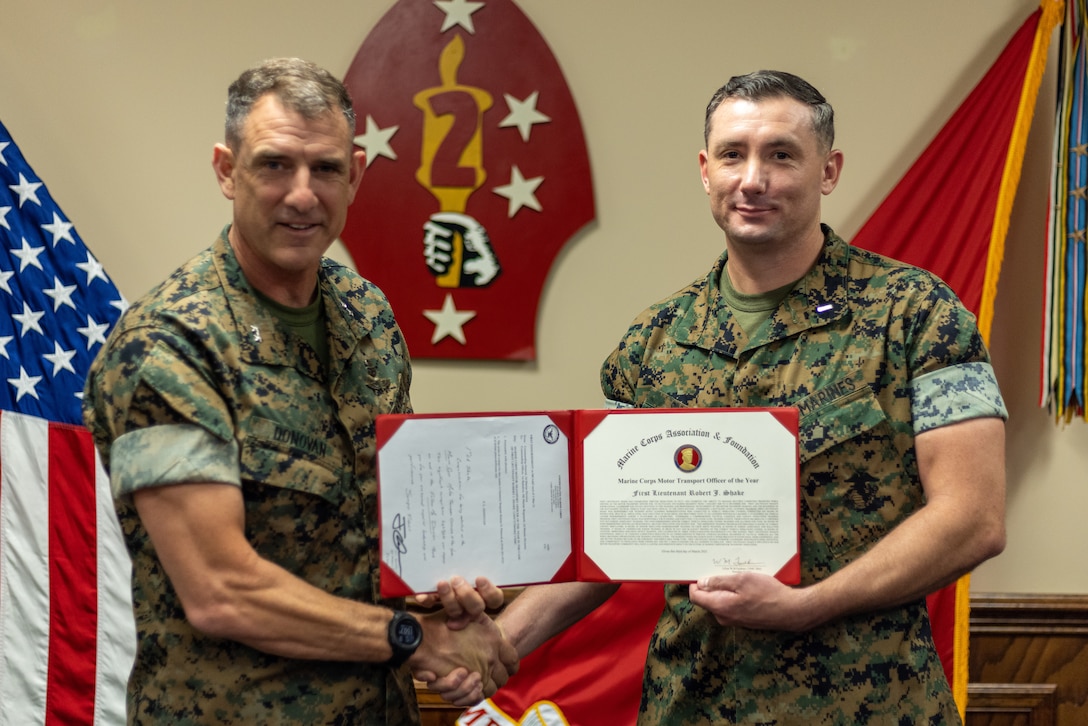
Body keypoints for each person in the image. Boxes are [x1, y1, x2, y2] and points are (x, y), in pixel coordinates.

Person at [424, 70, 1008, 723]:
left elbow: (972, 518)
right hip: (693, 705)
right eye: (733, 154)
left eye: (781, 154)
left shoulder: (916, 314)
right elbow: (609, 538)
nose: (752, 179)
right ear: (706, 171)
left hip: (863, 705)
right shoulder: (653, 342)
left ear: (829, 170)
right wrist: (499, 646)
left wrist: (808, 605)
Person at [83, 57, 515, 725]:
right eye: (275, 165)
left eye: (326, 169)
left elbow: (383, 534)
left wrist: (450, 602)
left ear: (356, 176)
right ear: (227, 171)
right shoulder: (169, 344)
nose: (303, 195)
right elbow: (221, 591)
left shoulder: (367, 316)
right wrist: (411, 640)